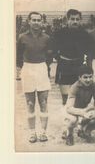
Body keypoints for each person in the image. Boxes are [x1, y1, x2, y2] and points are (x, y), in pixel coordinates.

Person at [16, 12, 51, 143]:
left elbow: (49, 56)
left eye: (38, 20)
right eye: (34, 20)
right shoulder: (22, 37)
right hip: (28, 69)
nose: (36, 22)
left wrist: (43, 67)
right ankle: (32, 133)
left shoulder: (47, 38)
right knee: (30, 103)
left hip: (41, 68)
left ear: (42, 22)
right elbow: (18, 56)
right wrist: (22, 68)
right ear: (29, 22)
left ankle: (43, 132)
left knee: (43, 102)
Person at [52, 9, 92, 105]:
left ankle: (77, 119)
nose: (75, 21)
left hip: (78, 66)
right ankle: (65, 118)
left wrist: (84, 64)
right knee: (65, 97)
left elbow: (87, 52)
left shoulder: (84, 34)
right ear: (67, 20)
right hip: (64, 66)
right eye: (72, 19)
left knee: (77, 96)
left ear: (80, 20)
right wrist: (60, 59)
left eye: (77, 19)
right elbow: (53, 50)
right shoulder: (59, 33)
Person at [62, 65, 95, 146]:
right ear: (79, 78)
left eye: (90, 77)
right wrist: (83, 113)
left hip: (84, 108)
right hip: (73, 110)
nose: (88, 80)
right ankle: (69, 135)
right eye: (85, 77)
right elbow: (69, 108)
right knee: (73, 120)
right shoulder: (74, 87)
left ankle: (85, 131)